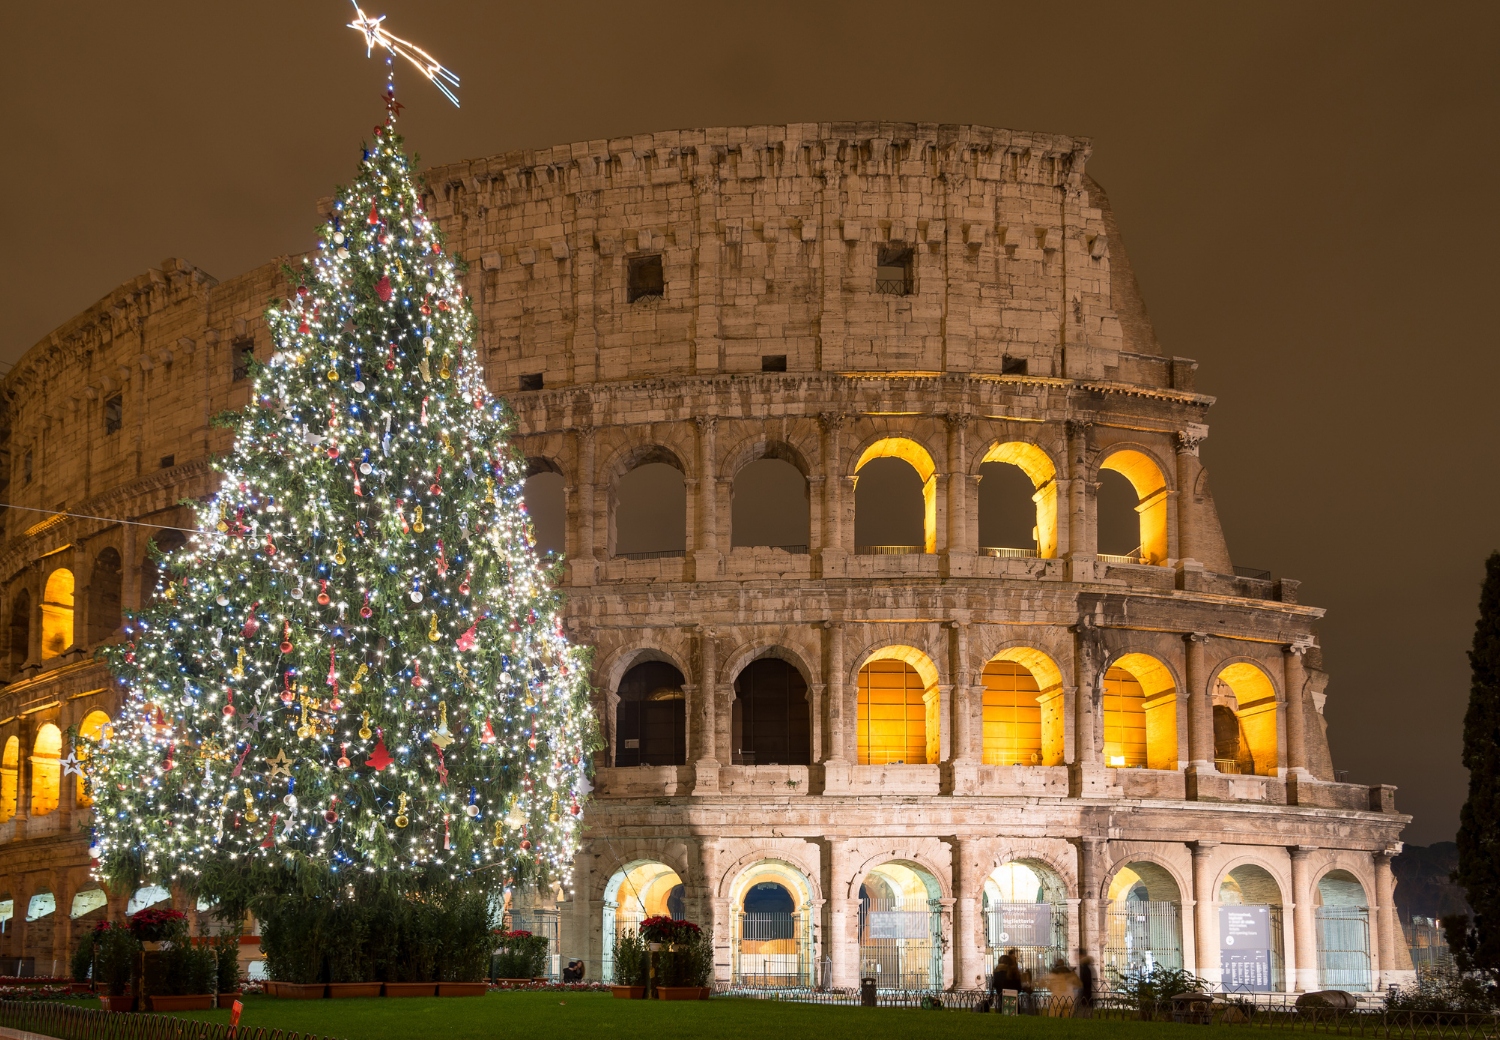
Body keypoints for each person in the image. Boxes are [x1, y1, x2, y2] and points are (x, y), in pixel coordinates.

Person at [1076, 951, 1095, 1018]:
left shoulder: (1085, 969)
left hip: (1085, 993)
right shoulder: (1088, 969)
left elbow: (1084, 981)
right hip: (1087, 992)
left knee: (1084, 1010)